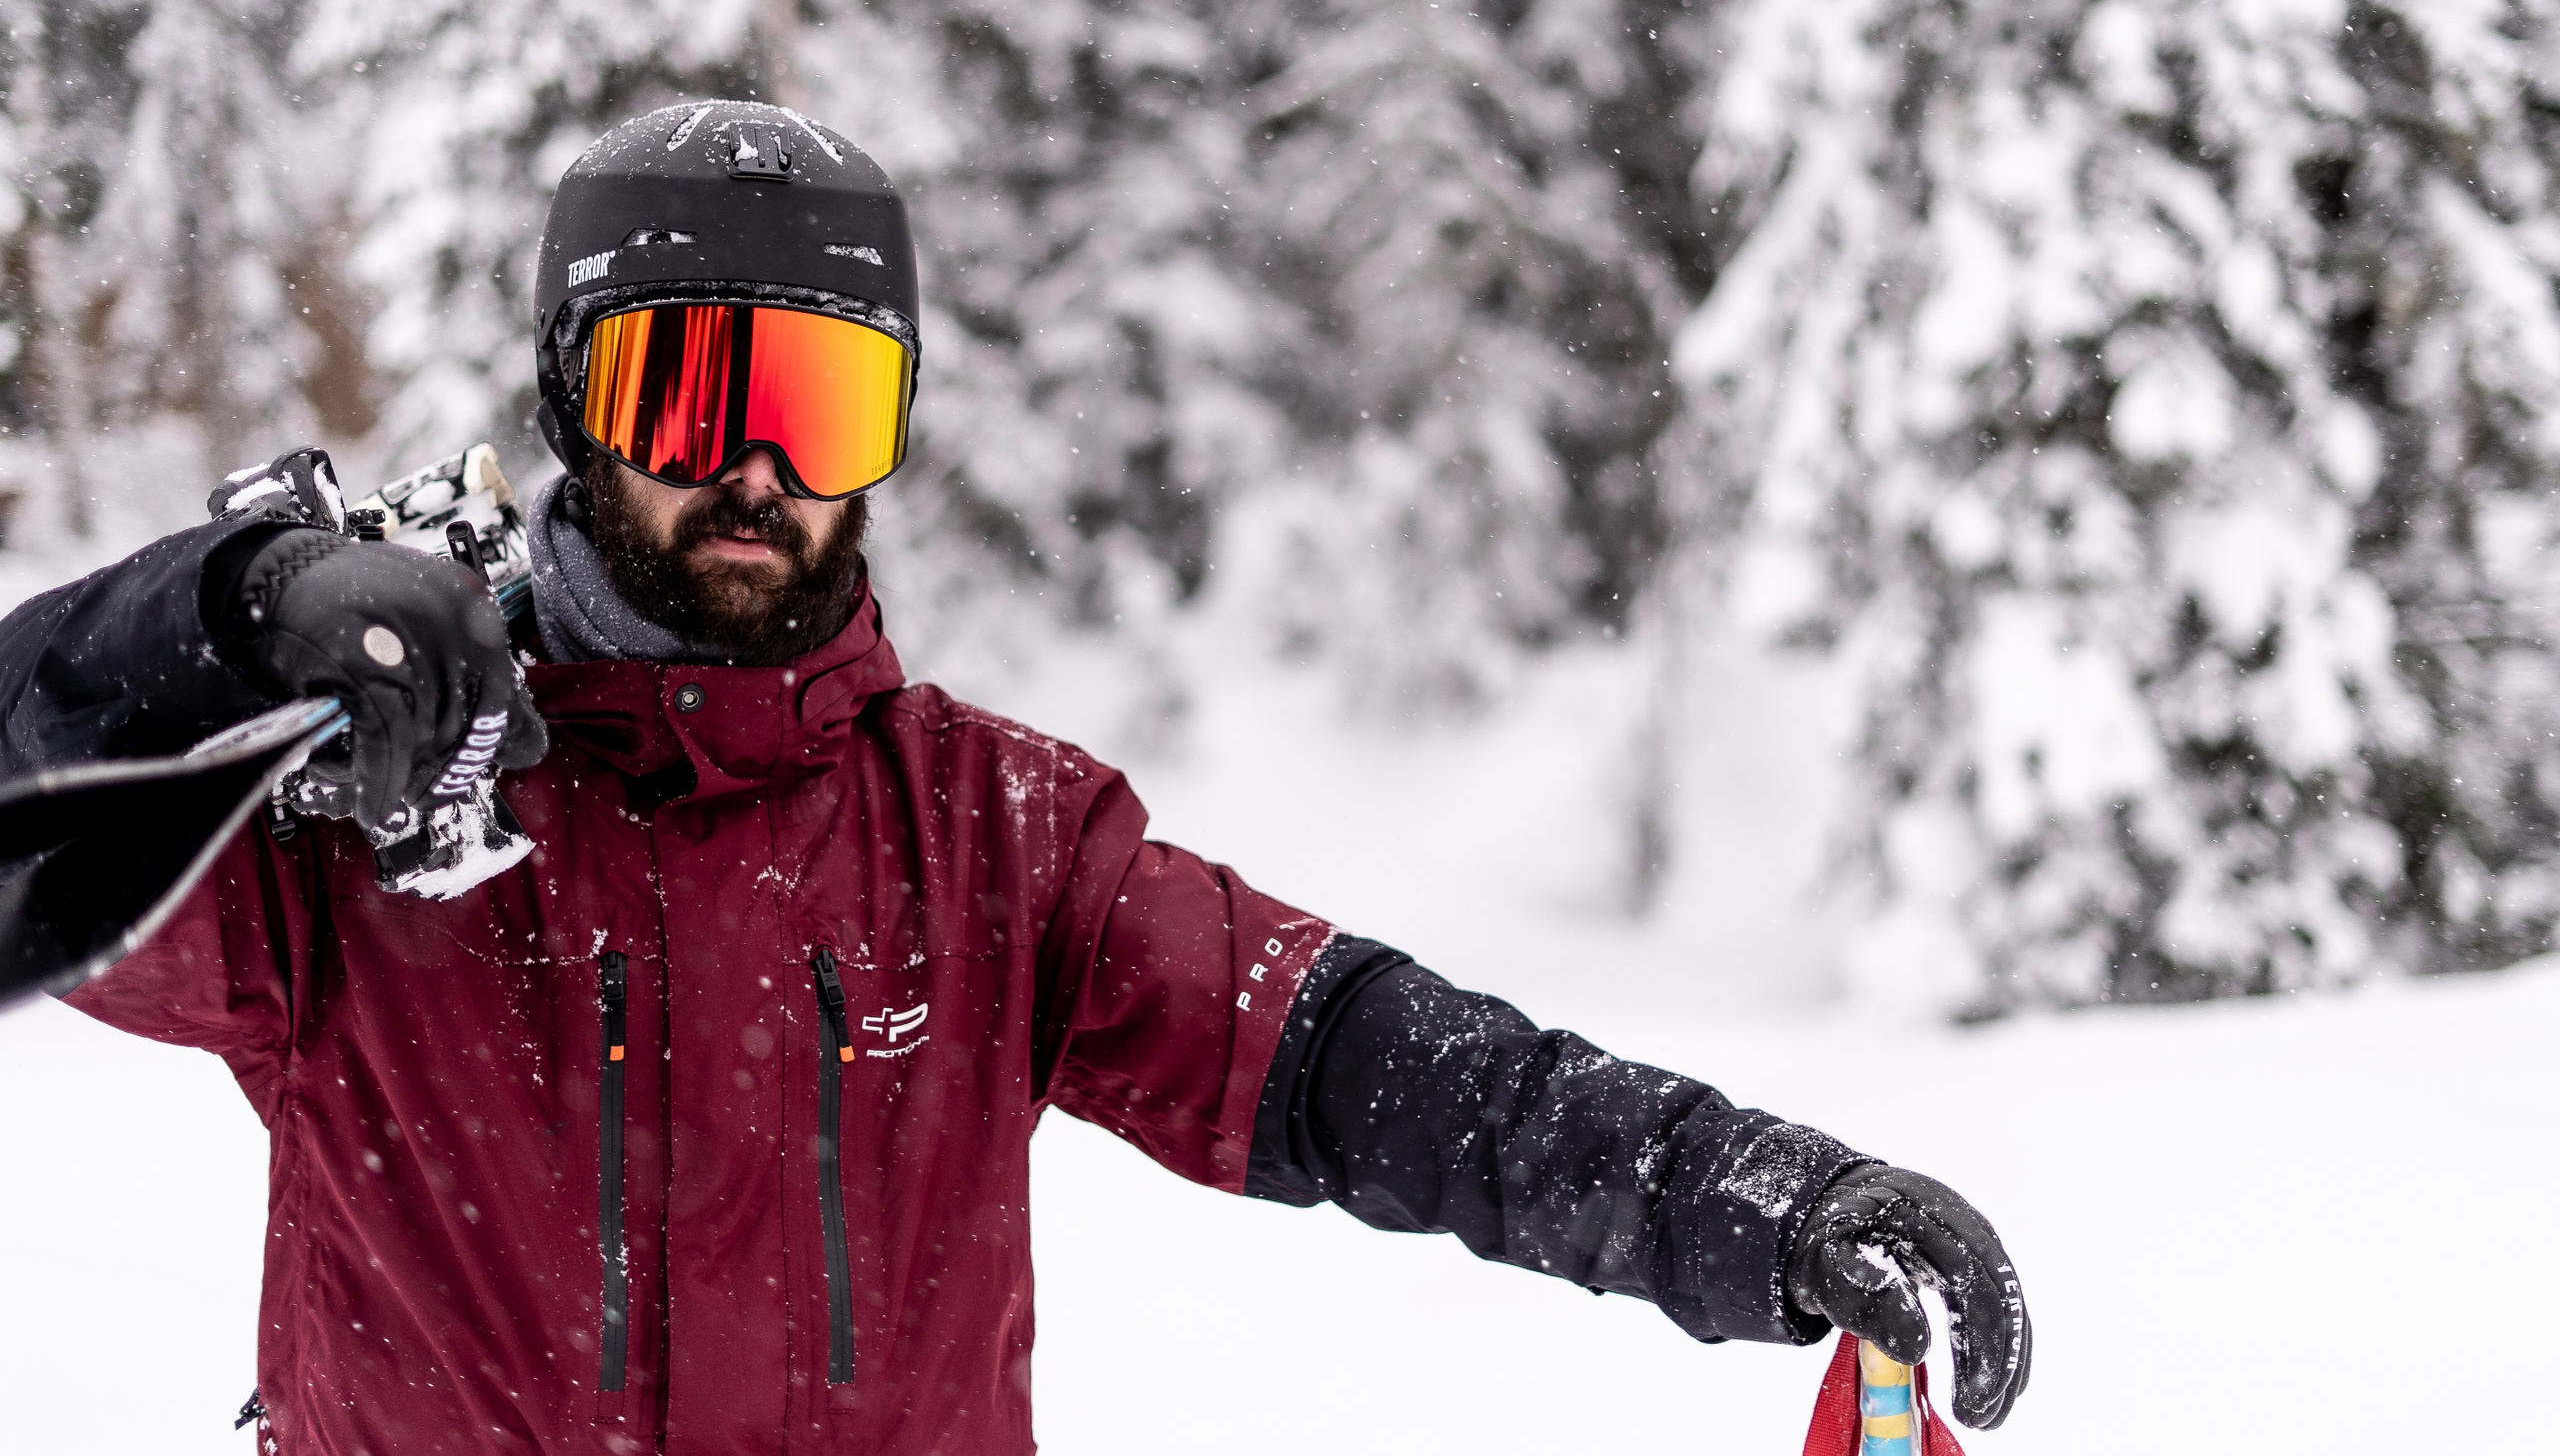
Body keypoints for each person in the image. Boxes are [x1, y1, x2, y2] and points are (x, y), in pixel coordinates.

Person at [0, 103, 2031, 1455]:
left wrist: (1755, 1204)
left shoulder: (992, 841)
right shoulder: (361, 820)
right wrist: (234, 600)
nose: (754, 466)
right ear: (569, 403)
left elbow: (1368, 1063)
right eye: (679, 388)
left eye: (816, 396)